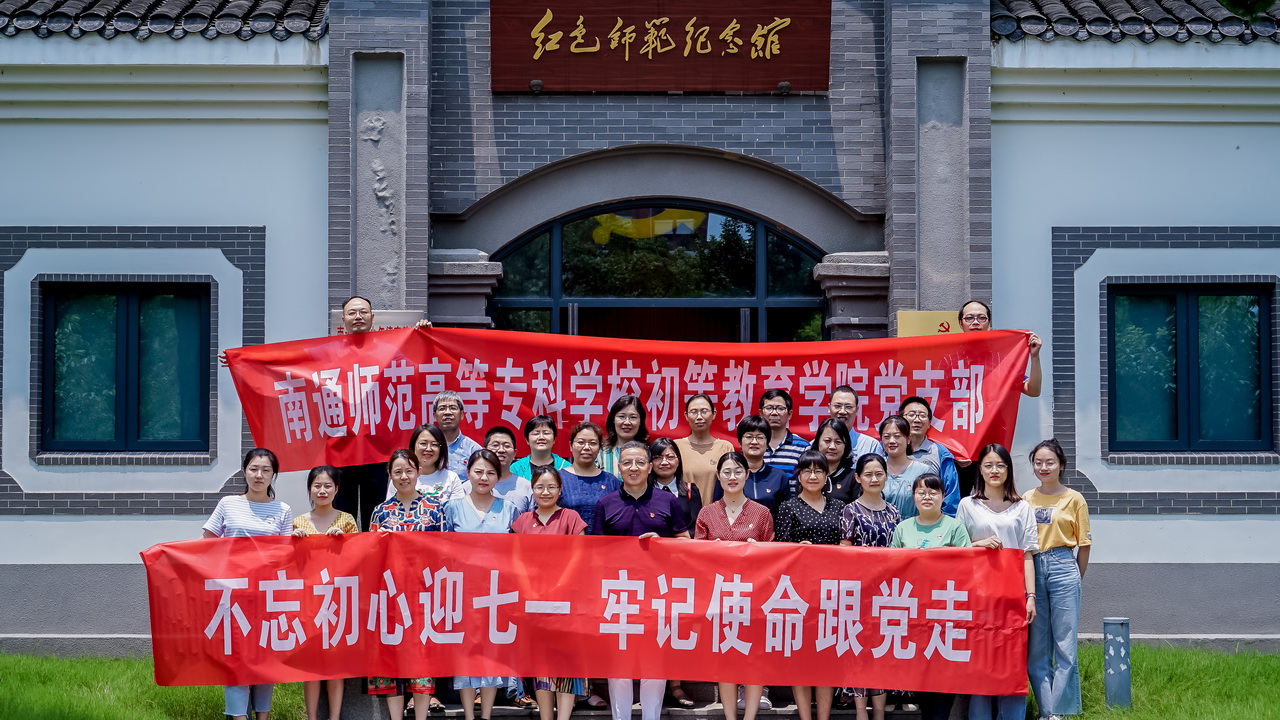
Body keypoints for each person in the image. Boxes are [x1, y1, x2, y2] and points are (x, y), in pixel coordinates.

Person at [591, 441, 689, 720]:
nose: (633, 468)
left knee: (653, 666)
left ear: (649, 467)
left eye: (639, 462)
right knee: (619, 667)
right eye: (627, 463)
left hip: (657, 595)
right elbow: (594, 553)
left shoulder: (667, 501)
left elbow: (686, 542)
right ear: (619, 468)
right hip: (618, 596)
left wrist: (662, 544)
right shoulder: (606, 503)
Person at [201, 448, 291, 720]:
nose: (259, 475)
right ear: (244, 471)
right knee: (236, 659)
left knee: (265, 659)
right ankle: (239, 717)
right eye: (253, 468)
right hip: (233, 594)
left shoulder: (283, 509)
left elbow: (287, 554)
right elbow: (208, 543)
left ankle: (262, 716)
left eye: (266, 470)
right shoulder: (228, 503)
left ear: (274, 475)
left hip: (267, 596)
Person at [955, 444, 1038, 720]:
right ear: (980, 469)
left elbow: (1027, 555)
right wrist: (978, 544)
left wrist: (1030, 596)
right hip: (978, 595)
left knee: (1011, 662)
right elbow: (958, 549)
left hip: (1012, 595)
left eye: (1000, 465)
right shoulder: (967, 505)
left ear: (1008, 470)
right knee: (980, 663)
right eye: (988, 465)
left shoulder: (1022, 507)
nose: (994, 470)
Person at [443, 449, 522, 720]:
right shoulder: (452, 507)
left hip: (496, 593)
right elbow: (441, 549)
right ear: (468, 473)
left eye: (490, 472)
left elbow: (517, 552)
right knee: (465, 654)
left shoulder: (509, 509)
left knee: (491, 654)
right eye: (478, 471)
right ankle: (468, 714)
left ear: (498, 477)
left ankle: (486, 714)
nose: (484, 477)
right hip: (462, 592)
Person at [694, 451, 774, 720]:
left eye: (738, 471)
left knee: (753, 659)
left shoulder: (761, 513)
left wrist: (757, 551)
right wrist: (711, 552)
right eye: (726, 472)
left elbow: (773, 557)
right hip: (719, 597)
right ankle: (730, 716)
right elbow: (695, 558)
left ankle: (749, 716)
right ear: (718, 476)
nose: (732, 477)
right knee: (725, 659)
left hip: (753, 597)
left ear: (747, 475)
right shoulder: (707, 513)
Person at [368, 449, 443, 720]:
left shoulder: (435, 509)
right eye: (398, 471)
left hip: (424, 595)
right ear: (389, 474)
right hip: (390, 596)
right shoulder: (380, 512)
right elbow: (370, 556)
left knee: (422, 658)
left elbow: (445, 551)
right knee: (392, 659)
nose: (404, 476)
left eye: (409, 470)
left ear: (418, 472)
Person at [510, 465, 589, 720]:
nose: (545, 492)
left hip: (567, 601)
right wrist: (529, 590)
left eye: (551, 487)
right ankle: (546, 716)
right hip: (533, 601)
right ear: (532, 489)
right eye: (540, 487)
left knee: (566, 662)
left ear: (560, 489)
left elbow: (579, 556)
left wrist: (559, 587)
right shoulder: (523, 521)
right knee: (541, 663)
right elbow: (515, 559)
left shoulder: (571, 517)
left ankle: (563, 717)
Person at [891, 473, 972, 720]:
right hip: (913, 613)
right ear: (913, 496)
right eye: (921, 492)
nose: (927, 496)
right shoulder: (903, 528)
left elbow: (967, 566)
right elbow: (891, 568)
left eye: (933, 491)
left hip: (945, 611)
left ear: (943, 496)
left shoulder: (955, 527)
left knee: (944, 673)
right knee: (920, 673)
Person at [1024, 439, 1091, 720]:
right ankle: (1047, 711)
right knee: (1037, 649)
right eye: (1038, 462)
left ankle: (1057, 713)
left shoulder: (1075, 499)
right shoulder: (1026, 499)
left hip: (1064, 564)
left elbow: (1084, 545)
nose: (1044, 467)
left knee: (1065, 645)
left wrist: (1076, 578)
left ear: (1061, 465)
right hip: (1033, 566)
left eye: (1050, 462)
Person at [774, 449, 843, 720]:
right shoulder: (788, 507)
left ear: (826, 476)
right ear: (799, 476)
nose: (813, 476)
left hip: (832, 594)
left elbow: (847, 547)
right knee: (800, 660)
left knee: (826, 660)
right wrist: (797, 549)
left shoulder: (839, 507)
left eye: (818, 471)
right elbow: (780, 550)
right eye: (807, 471)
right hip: (799, 593)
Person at [290, 466, 358, 720]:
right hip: (308, 601)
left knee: (335, 663)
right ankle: (312, 717)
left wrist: (344, 542)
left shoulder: (347, 520)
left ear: (337, 489)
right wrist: (293, 543)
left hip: (338, 600)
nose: (322, 490)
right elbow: (287, 565)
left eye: (328, 485)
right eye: (317, 485)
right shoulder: (298, 522)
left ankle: (334, 716)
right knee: (310, 664)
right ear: (309, 489)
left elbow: (360, 558)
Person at [838, 454, 901, 720]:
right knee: (859, 650)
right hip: (859, 592)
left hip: (887, 592)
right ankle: (861, 712)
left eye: (879, 474)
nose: (874, 479)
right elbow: (845, 551)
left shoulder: (894, 512)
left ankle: (879, 713)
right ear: (858, 478)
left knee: (882, 650)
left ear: (886, 476)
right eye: (868, 474)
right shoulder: (850, 510)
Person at [958, 300, 1043, 398]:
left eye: (982, 318)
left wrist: (1035, 356)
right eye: (969, 318)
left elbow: (1033, 391)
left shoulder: (1001, 362)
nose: (976, 322)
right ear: (960, 323)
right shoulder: (949, 361)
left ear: (989, 323)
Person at [717, 415, 790, 517]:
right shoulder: (728, 475)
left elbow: (786, 517)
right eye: (749, 437)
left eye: (760, 437)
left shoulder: (779, 477)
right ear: (740, 441)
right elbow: (717, 510)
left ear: (767, 442)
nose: (754, 442)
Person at [898, 397, 960, 516]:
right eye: (911, 415)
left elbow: (951, 496)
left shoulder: (941, 453)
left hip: (930, 523)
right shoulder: (887, 449)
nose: (917, 420)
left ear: (929, 423)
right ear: (901, 419)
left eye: (922, 415)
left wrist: (946, 523)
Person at [558, 421, 621, 529]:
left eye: (592, 443)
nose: (586, 447)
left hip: (603, 538)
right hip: (566, 538)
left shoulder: (611, 481)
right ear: (571, 445)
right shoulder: (558, 478)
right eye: (581, 442)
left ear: (600, 447)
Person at [674, 393, 734, 504]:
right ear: (686, 416)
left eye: (704, 411)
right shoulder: (675, 447)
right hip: (684, 512)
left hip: (717, 512)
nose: (699, 417)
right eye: (694, 412)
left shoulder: (725, 447)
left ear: (713, 414)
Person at [466, 425, 534, 515]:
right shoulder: (468, 487)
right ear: (485, 450)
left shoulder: (527, 487)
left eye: (507, 446)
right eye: (495, 445)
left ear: (514, 453)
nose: (501, 450)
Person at [758, 389, 811, 493]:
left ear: (789, 414)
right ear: (761, 413)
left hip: (792, 503)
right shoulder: (753, 445)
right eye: (769, 408)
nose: (774, 413)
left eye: (780, 408)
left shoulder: (803, 447)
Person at [397, 424, 465, 505]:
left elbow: (457, 510)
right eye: (423, 443)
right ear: (413, 446)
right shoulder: (400, 477)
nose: (428, 449)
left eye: (434, 444)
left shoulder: (451, 478)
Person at [878, 415, 930, 520]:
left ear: (908, 439)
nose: (892, 441)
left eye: (897, 436)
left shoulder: (923, 471)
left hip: (913, 527)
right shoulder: (875, 469)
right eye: (887, 437)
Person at [649, 437, 704, 532]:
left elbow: (695, 528)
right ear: (650, 462)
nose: (664, 462)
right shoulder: (644, 491)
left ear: (678, 461)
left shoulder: (690, 491)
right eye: (657, 457)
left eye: (670, 457)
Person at [827, 386, 884, 459]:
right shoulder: (816, 444)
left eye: (848, 407)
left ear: (856, 410)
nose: (842, 411)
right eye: (837, 406)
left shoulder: (871, 446)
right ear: (829, 408)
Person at [599, 395, 649, 476]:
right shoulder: (600, 453)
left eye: (633, 417)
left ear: (640, 421)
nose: (627, 422)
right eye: (622, 417)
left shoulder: (648, 452)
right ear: (613, 419)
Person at [434, 389, 483, 471]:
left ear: (462, 414)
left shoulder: (474, 450)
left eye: (453, 408)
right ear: (435, 416)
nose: (447, 412)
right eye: (442, 408)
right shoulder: (427, 448)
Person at [511, 415, 571, 479]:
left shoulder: (566, 468)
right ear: (527, 440)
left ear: (554, 439)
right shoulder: (516, 469)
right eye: (536, 433)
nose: (541, 437)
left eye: (546, 433)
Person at [814, 418, 857, 504]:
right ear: (818, 442)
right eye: (827, 441)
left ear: (846, 445)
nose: (832, 447)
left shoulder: (854, 478)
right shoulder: (807, 474)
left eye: (838, 442)